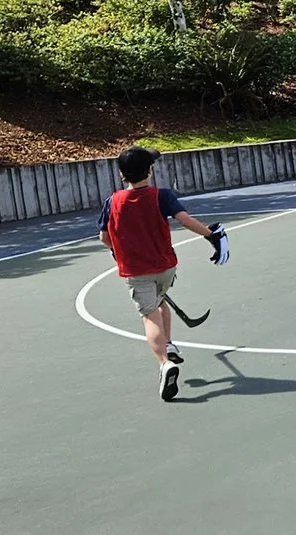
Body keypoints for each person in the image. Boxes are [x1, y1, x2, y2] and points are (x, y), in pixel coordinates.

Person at [96, 145, 228, 404]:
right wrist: (210, 235)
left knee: (149, 317)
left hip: (137, 271)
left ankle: (164, 363)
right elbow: (185, 220)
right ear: (151, 170)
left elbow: (104, 238)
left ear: (122, 175)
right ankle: (168, 343)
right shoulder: (162, 196)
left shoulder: (113, 202)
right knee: (159, 303)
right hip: (165, 267)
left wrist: (118, 250)